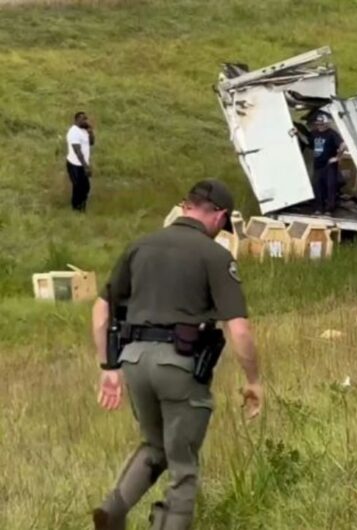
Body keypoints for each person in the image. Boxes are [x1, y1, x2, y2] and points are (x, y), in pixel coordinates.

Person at [90, 179, 263, 530]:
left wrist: (108, 367)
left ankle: (113, 509)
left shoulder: (140, 246)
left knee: (155, 445)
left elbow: (100, 310)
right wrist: (254, 380)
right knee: (184, 465)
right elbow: (239, 330)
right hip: (180, 365)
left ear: (186, 206)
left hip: (134, 362)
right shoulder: (215, 255)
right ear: (219, 216)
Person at [310, 113, 347, 215]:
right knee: (317, 186)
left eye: (321, 124)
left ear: (326, 124)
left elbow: (343, 145)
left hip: (329, 165)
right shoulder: (313, 133)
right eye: (318, 124)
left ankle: (329, 209)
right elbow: (308, 143)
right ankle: (319, 208)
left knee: (330, 186)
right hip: (318, 165)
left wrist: (337, 157)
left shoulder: (332, 133)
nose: (319, 126)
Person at [66, 111, 95, 212]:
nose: (86, 121)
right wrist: (86, 166)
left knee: (86, 187)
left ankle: (81, 208)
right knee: (78, 187)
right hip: (74, 165)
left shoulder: (84, 130)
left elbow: (91, 143)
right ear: (77, 119)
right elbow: (77, 151)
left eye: (86, 118)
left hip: (82, 164)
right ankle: (76, 209)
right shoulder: (73, 132)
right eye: (83, 119)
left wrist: (91, 132)